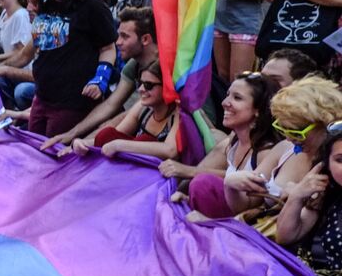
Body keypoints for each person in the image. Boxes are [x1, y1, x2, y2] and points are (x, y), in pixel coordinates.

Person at [0, 0, 116, 137]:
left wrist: (100, 79)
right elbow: (27, 53)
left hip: (71, 101)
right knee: (34, 149)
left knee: (52, 154)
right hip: (42, 97)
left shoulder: (92, 6)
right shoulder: (46, 5)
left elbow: (108, 48)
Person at [38, 6, 159, 151]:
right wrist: (71, 135)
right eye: (118, 35)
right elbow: (111, 105)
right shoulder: (134, 65)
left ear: (145, 39)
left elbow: (129, 116)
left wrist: (87, 142)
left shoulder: (164, 68)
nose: (118, 42)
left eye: (125, 36)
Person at [226, 75, 342, 218]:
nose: (288, 137)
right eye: (282, 129)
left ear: (324, 124)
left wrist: (296, 200)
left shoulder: (335, 165)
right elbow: (246, 204)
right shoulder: (284, 148)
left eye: (296, 132)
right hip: (260, 231)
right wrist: (230, 185)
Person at [163, 72, 275, 219]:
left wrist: (209, 221)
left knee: (203, 183)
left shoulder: (266, 151)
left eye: (237, 98)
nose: (224, 102)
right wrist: (186, 197)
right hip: (218, 220)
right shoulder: (233, 140)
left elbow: (251, 207)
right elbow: (204, 171)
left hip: (238, 230)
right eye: (228, 95)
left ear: (258, 110)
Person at [277, 127, 342, 276]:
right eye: (340, 160)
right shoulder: (329, 195)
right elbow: (286, 236)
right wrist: (297, 196)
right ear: (327, 164)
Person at [71, 59, 178, 160]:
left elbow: (170, 150)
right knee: (107, 134)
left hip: (159, 175)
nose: (141, 89)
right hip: (133, 171)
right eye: (140, 83)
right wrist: (83, 143)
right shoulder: (143, 107)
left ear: (167, 86)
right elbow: (113, 137)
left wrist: (119, 145)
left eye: (148, 85)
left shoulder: (178, 113)